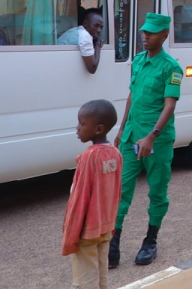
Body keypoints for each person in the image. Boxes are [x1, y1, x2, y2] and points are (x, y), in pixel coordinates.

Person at [109, 13, 181, 269]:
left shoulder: (171, 68)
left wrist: (152, 135)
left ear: (164, 35)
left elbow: (169, 105)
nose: (145, 36)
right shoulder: (138, 60)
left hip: (156, 143)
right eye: (144, 31)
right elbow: (132, 95)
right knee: (121, 189)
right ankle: (113, 243)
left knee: (157, 192)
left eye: (151, 32)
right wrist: (121, 128)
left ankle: (150, 241)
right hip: (131, 136)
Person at [64, 99, 122, 289]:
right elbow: (117, 192)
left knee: (85, 281)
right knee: (101, 276)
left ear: (98, 129)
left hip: (87, 230)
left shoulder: (89, 157)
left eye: (82, 123)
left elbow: (79, 197)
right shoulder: (115, 154)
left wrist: (71, 229)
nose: (77, 128)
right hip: (106, 226)